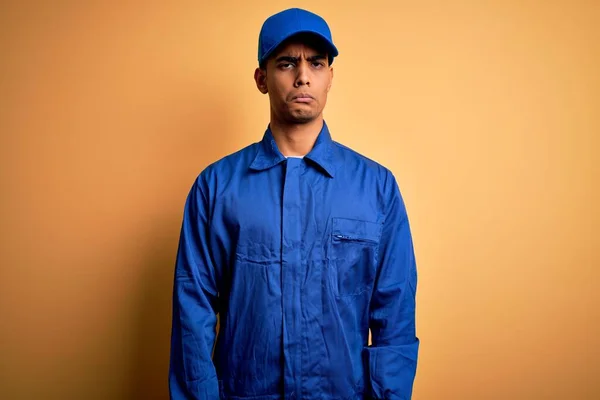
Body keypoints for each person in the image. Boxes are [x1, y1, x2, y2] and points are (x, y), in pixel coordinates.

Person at [169, 7, 419, 400]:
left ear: (330, 77)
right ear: (261, 78)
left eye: (316, 63)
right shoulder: (216, 187)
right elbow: (193, 311)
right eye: (287, 63)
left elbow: (395, 313)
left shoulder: (376, 188)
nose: (303, 75)